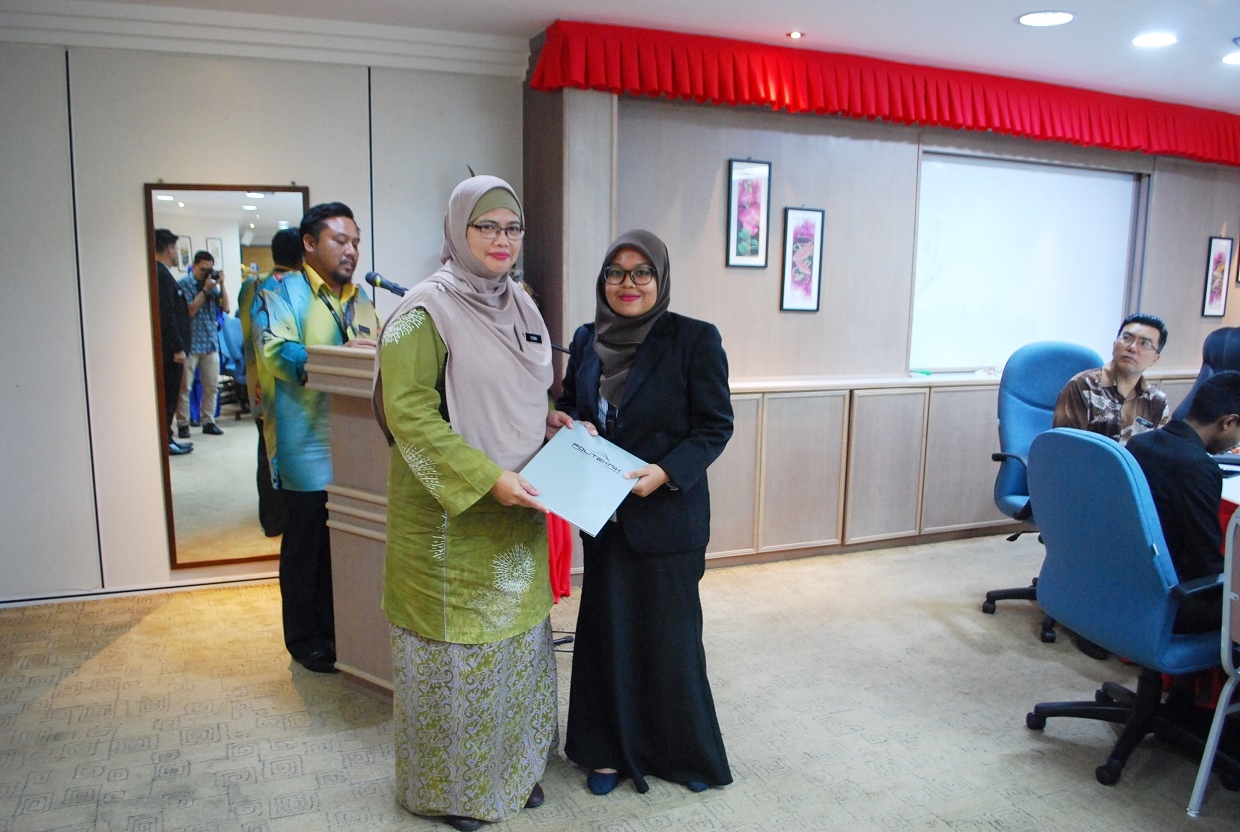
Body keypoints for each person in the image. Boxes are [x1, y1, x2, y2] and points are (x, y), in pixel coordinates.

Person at [372, 176, 558, 831]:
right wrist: (486, 478)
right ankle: (451, 793)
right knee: (456, 664)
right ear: (458, 230)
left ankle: (515, 770)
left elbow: (519, 391)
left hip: (516, 513)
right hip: (448, 526)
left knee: (516, 652)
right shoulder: (423, 310)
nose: (502, 240)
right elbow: (410, 415)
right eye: (487, 227)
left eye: (512, 228)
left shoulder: (521, 304)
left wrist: (547, 423)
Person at [554, 229, 734, 796]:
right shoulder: (587, 339)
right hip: (604, 519)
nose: (627, 284)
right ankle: (605, 752)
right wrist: (572, 421)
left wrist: (666, 472)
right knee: (607, 636)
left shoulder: (694, 339)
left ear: (660, 279)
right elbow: (571, 402)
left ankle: (681, 754)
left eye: (641, 273)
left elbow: (715, 426)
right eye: (615, 272)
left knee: (670, 640)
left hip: (669, 519)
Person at [252, 202, 380, 674]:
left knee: (348, 545)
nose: (351, 251)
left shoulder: (362, 301)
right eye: (339, 240)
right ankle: (305, 639)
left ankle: (345, 632)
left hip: (358, 444)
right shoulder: (279, 292)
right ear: (309, 244)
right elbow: (276, 353)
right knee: (307, 547)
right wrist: (338, 357)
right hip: (304, 443)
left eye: (356, 242)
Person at [1125, 370, 1240, 633]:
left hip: (1129, 583)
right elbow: (1205, 564)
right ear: (1228, 422)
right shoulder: (1198, 468)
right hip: (1174, 599)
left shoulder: (1139, 443)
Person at [238, 228, 302, 537]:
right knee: (288, 458)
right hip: (283, 388)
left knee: (265, 453)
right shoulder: (290, 288)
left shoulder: (250, 285)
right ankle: (286, 519)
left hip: (255, 384)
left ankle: (270, 520)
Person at [1052, 313, 1170, 445]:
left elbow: (1155, 452)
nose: (1132, 348)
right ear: (1114, 345)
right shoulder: (1081, 387)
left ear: (1155, 359)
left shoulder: (1157, 401)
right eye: (1126, 338)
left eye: (1145, 343)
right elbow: (1066, 447)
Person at [176, 251, 230, 437]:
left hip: (210, 342)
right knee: (185, 388)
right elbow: (190, 311)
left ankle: (208, 421)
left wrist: (221, 284)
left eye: (209, 269)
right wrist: (205, 290)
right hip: (190, 343)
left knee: (211, 386)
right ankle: (183, 424)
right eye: (203, 269)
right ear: (194, 267)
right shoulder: (184, 284)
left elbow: (226, 308)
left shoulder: (212, 285)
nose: (207, 273)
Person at [153, 228, 193, 456]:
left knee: (171, 397)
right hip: (171, 353)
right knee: (168, 398)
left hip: (173, 350)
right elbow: (167, 316)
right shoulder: (161, 275)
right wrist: (178, 347)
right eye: (176, 248)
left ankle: (168, 438)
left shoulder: (163, 274)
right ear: (169, 249)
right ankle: (166, 440)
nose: (177, 252)